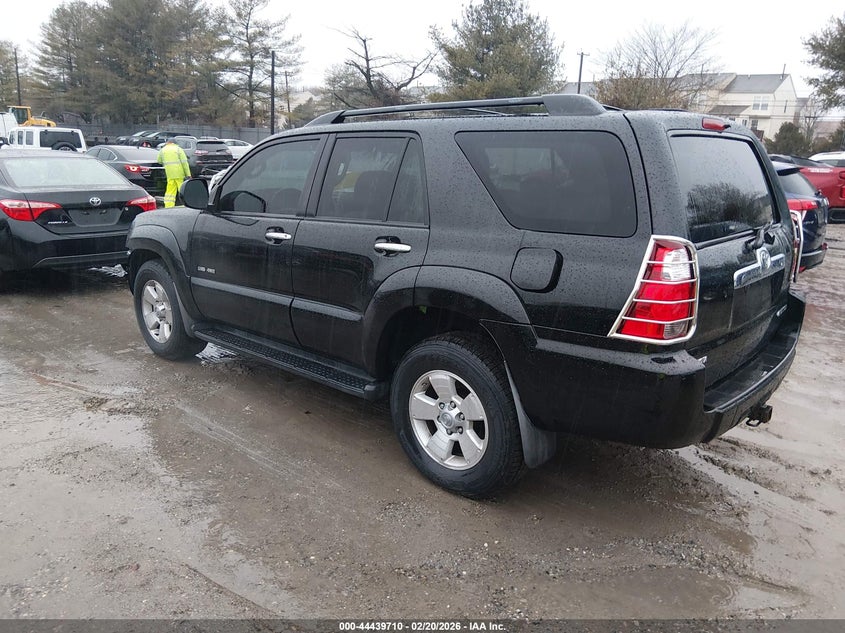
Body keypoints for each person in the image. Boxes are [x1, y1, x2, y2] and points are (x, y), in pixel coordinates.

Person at [157, 139, 191, 208]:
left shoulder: (162, 150)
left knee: (170, 192)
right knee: (182, 190)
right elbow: (185, 163)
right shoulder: (178, 149)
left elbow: (159, 161)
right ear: (174, 143)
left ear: (168, 143)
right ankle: (186, 205)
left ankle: (168, 206)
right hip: (179, 174)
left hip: (169, 174)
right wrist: (188, 174)